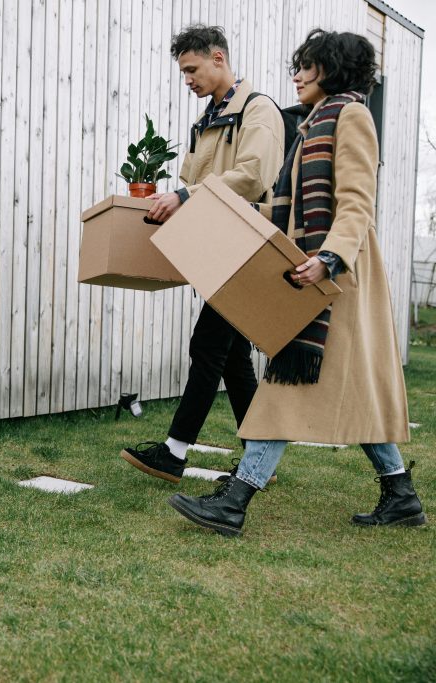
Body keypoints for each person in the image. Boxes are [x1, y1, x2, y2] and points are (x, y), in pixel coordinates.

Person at [168, 28, 426, 537]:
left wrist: (329, 258)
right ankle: (401, 494)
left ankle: (236, 500)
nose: (297, 74)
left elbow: (356, 202)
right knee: (348, 389)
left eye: (307, 66)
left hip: (334, 277)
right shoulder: (310, 124)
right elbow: (287, 207)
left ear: (331, 70)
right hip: (312, 268)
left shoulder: (350, 117)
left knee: (287, 381)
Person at [121, 25, 285, 483]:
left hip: (251, 247)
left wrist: (186, 195)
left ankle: (174, 452)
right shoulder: (208, 120)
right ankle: (260, 463)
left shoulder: (258, 111)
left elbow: (253, 177)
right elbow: (194, 182)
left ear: (218, 58)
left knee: (208, 346)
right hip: (219, 248)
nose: (187, 79)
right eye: (183, 72)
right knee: (230, 359)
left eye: (192, 69)